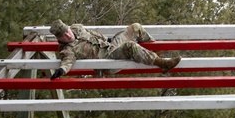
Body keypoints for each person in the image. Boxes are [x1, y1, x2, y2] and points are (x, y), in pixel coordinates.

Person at [48, 20, 181, 78]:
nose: (68, 35)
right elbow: (67, 63)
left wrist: (107, 39)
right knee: (130, 46)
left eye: (67, 31)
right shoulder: (67, 50)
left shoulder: (76, 28)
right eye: (64, 36)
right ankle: (162, 64)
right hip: (108, 60)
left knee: (135, 27)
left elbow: (93, 34)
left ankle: (152, 53)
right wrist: (60, 71)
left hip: (110, 46)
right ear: (59, 39)